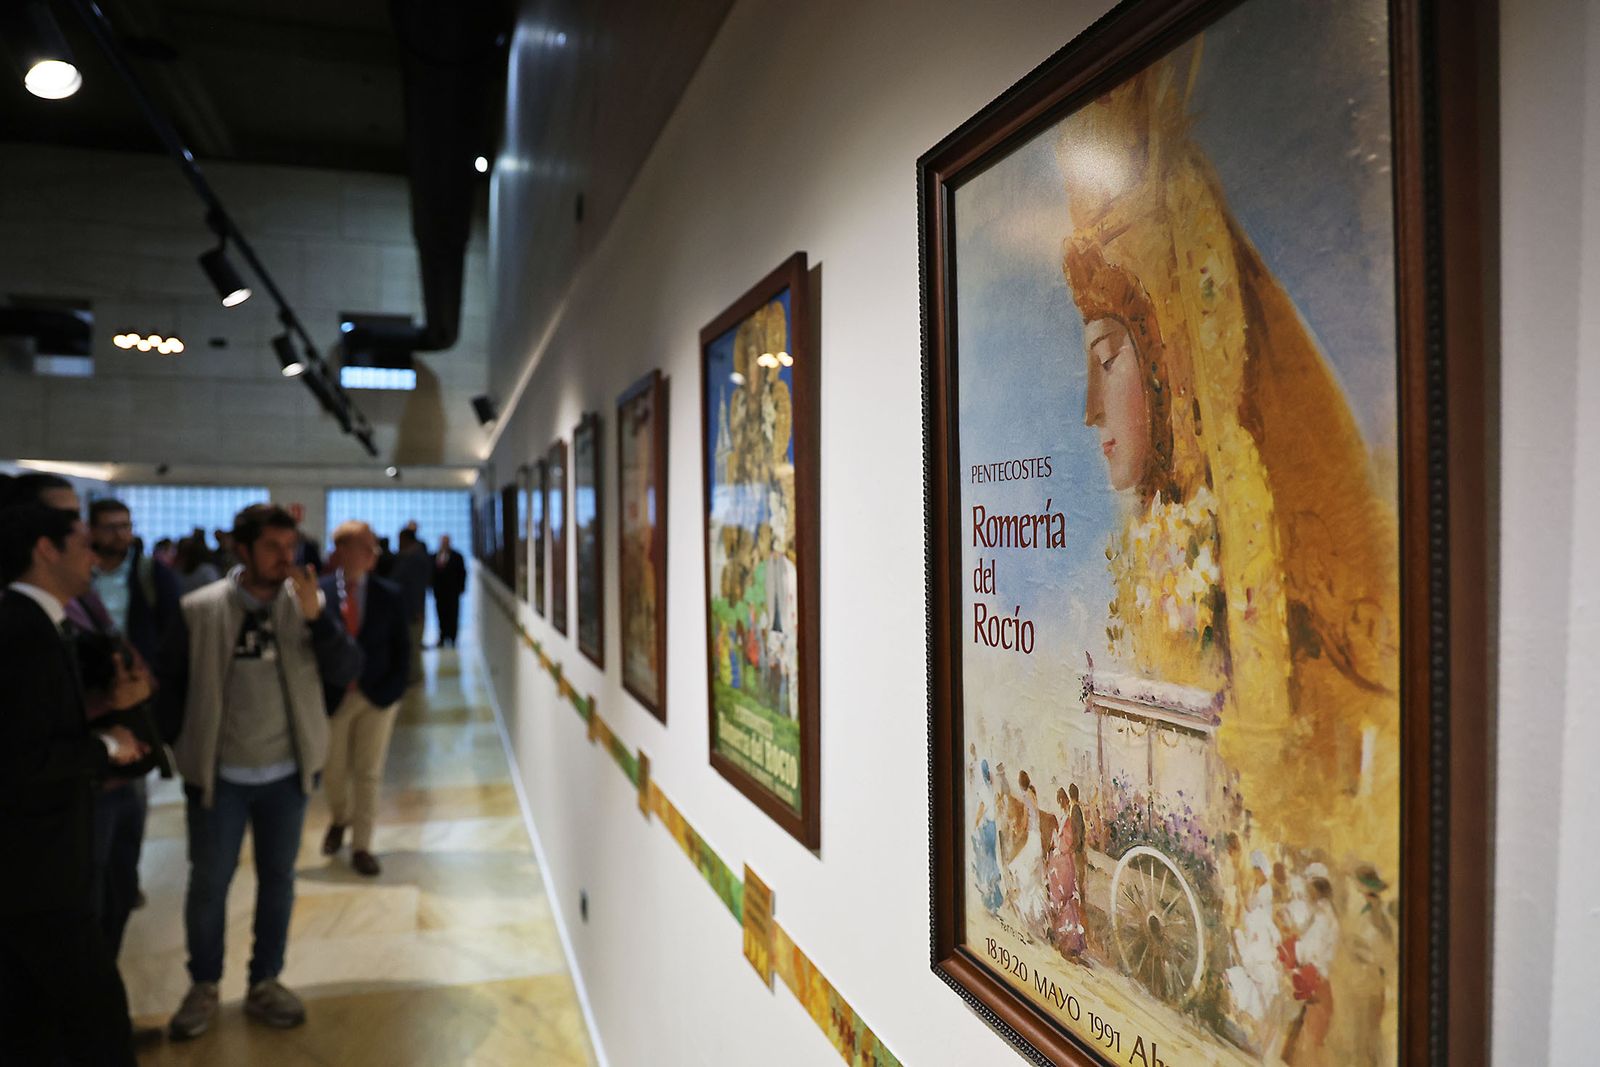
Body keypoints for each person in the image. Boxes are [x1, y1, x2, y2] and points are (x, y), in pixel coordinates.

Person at [157, 504, 361, 1040]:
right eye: (271, 547)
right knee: (209, 886)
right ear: (242, 550)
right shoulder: (199, 609)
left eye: (290, 546)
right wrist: (181, 752)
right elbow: (170, 687)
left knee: (278, 882)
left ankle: (265, 980)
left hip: (286, 776)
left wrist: (318, 620)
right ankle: (203, 985)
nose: (285, 557)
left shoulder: (307, 606)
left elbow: (345, 671)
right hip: (218, 776)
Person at [0, 501, 150, 1065]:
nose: (96, 554)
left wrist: (107, 708)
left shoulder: (43, 621)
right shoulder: (22, 630)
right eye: (83, 542)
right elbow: (19, 759)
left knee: (33, 1011)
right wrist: (106, 745)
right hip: (37, 866)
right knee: (96, 1017)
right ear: (46, 549)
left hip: (45, 860)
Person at [319, 521, 411, 877]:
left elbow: (403, 649)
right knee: (334, 770)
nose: (373, 553)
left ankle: (362, 845)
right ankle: (340, 818)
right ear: (342, 551)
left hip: (377, 697)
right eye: (365, 547)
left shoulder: (389, 593)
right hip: (335, 697)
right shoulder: (321, 593)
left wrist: (394, 690)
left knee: (368, 773)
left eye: (374, 547)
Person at [88, 498, 181, 670]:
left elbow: (172, 626)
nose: (119, 534)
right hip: (91, 670)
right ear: (92, 531)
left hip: (140, 670)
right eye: (110, 528)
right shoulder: (82, 572)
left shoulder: (151, 571)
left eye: (125, 526)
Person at [389, 527, 431, 684]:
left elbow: (416, 586)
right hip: (409, 607)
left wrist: (417, 609)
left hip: (412, 609)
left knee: (412, 644)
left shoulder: (415, 558)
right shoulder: (410, 556)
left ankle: (413, 677)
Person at [430, 533, 466, 648]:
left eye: (446, 542)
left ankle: (453, 638)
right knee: (441, 614)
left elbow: (462, 573)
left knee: (453, 614)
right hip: (439, 592)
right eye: (442, 542)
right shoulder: (435, 556)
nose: (444, 544)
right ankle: (442, 636)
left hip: (453, 591)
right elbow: (432, 573)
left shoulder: (457, 556)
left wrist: (461, 587)